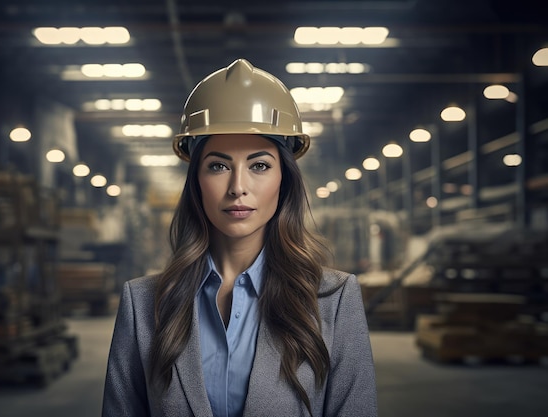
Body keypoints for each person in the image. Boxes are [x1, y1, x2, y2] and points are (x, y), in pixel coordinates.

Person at [102, 59, 378, 417]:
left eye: (259, 165)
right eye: (218, 166)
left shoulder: (333, 300)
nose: (238, 188)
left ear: (285, 179)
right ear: (196, 181)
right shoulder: (141, 305)